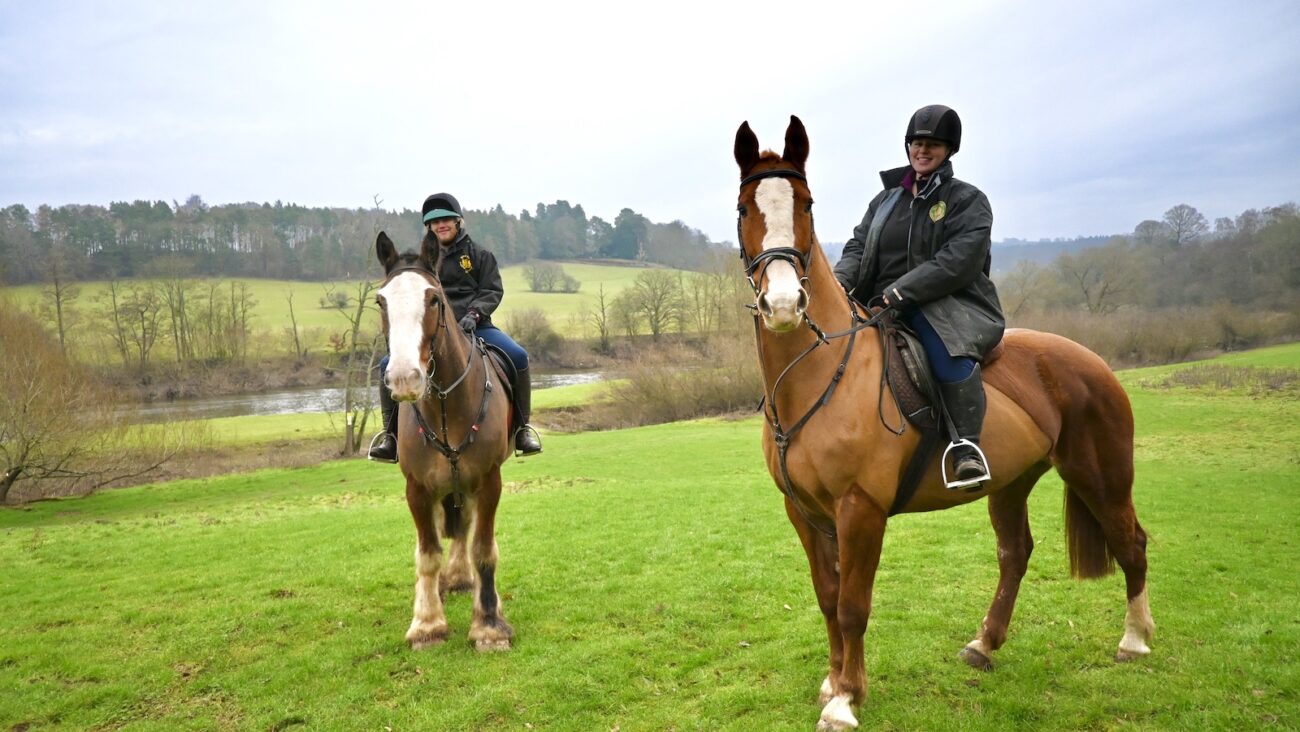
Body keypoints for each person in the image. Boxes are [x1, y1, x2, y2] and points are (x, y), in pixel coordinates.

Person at [832, 104, 1004, 488]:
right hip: (877, 304)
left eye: (933, 145)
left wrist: (900, 292)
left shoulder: (967, 200)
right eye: (917, 143)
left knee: (944, 352)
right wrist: (839, 283)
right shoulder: (885, 200)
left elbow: (957, 262)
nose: (923, 150)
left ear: (949, 150)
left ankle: (965, 446)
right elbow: (858, 247)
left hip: (945, 306)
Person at [369, 192, 543, 461]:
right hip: (437, 331)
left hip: (477, 326)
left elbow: (492, 290)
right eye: (435, 223)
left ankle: (522, 430)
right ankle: (390, 438)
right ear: (429, 227)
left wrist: (474, 314)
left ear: (458, 221)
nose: (441, 225)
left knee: (519, 356)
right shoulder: (421, 262)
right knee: (385, 365)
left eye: (446, 220)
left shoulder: (480, 255)